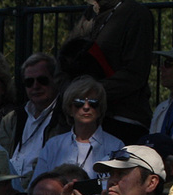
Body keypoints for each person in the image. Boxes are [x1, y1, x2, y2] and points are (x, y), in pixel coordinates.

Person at [61, 0, 153, 141]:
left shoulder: (135, 13)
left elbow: (135, 74)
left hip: (123, 118)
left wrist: (90, 93)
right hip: (86, 117)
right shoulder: (90, 14)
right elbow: (65, 60)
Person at [36, 77, 122, 178]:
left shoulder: (116, 146)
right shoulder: (52, 146)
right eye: (78, 102)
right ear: (69, 109)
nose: (86, 107)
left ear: (100, 109)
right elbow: (37, 185)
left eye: (93, 102)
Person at [13, 53, 70, 188]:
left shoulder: (64, 118)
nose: (35, 86)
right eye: (29, 82)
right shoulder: (14, 117)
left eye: (42, 80)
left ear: (54, 80)